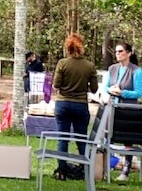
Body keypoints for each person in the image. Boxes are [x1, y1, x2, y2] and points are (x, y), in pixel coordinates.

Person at [52, 33, 98, 180]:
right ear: (81, 47)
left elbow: (56, 85)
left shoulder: (62, 63)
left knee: (63, 139)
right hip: (80, 105)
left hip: (63, 104)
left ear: (68, 48)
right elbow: (95, 89)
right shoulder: (89, 66)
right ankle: (84, 171)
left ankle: (62, 171)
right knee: (81, 139)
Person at [106, 42, 142, 182]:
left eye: (120, 51)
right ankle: (106, 167)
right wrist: (110, 90)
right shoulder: (112, 68)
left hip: (128, 111)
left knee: (128, 141)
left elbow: (138, 92)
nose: (118, 54)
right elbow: (106, 87)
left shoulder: (136, 71)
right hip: (112, 108)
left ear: (129, 53)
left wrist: (123, 92)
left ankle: (126, 170)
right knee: (107, 136)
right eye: (116, 51)